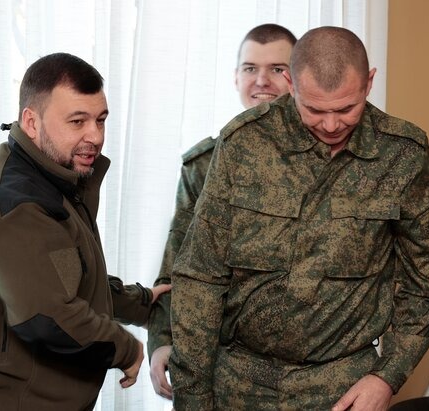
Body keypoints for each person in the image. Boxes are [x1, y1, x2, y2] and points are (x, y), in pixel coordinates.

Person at [169, 26, 429, 411]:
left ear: (369, 83)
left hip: (344, 388)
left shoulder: (401, 154)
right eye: (315, 110)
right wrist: (193, 398)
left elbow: (427, 278)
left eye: (346, 109)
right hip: (238, 383)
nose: (331, 125)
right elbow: (201, 276)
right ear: (291, 83)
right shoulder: (243, 144)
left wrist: (387, 375)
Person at [0, 52, 170, 410]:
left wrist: (141, 303)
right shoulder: (21, 205)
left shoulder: (53, 179)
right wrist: (127, 348)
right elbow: (48, 318)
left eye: (100, 120)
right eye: (77, 121)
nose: (95, 136)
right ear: (31, 122)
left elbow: (63, 276)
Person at [147, 23, 297, 400]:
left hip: (311, 373)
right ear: (235, 77)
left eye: (277, 69)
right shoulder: (205, 164)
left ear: (298, 78)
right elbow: (178, 259)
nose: (261, 80)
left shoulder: (330, 153)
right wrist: (162, 341)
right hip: (227, 367)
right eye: (250, 68)